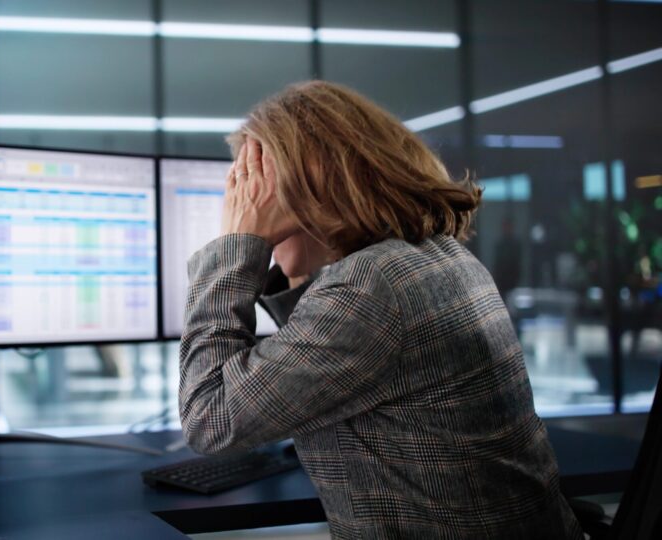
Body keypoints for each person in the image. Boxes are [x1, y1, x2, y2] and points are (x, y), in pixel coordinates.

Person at [179, 81, 582, 539]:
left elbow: (210, 420)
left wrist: (236, 247)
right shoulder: (431, 258)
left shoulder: (373, 286)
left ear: (311, 181)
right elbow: (317, 372)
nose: (244, 208)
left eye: (255, 189)